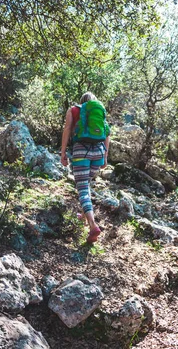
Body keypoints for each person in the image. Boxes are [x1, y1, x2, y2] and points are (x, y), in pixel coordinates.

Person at [60, 92, 110, 244]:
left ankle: (93, 225)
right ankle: (83, 216)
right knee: (86, 184)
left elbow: (67, 129)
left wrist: (63, 152)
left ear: (81, 102)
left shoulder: (74, 110)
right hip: (99, 152)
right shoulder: (99, 110)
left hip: (81, 150)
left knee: (82, 189)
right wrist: (105, 157)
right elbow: (107, 134)